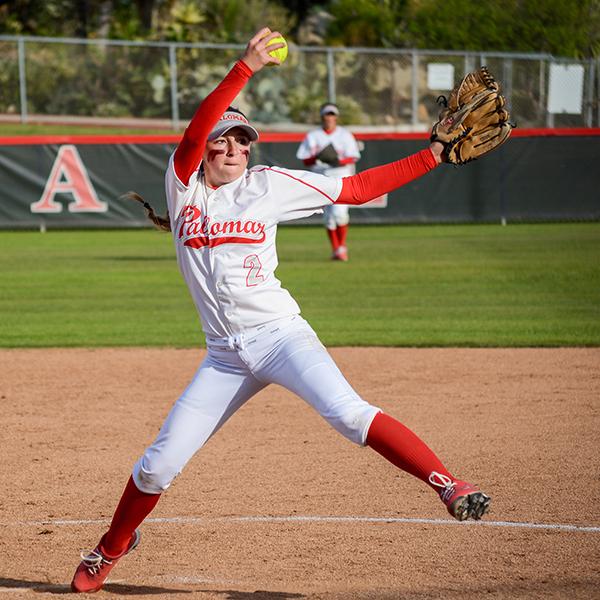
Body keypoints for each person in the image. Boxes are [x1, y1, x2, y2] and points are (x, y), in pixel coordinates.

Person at [70, 28, 490, 594]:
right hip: (224, 357)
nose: (237, 149)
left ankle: (449, 484)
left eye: (244, 141)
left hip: (280, 336)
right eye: (228, 140)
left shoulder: (269, 186)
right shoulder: (183, 189)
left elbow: (359, 188)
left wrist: (435, 153)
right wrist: (244, 68)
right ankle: (111, 547)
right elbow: (196, 131)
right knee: (157, 466)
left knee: (346, 413)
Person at [296, 102, 360, 261]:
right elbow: (304, 160)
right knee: (329, 218)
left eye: (332, 114)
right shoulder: (313, 136)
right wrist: (317, 156)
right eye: (327, 114)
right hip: (320, 177)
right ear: (322, 116)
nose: (329, 117)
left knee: (340, 214)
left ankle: (342, 247)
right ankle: (336, 249)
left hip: (340, 175)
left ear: (336, 117)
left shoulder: (344, 135)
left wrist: (338, 161)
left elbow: (353, 156)